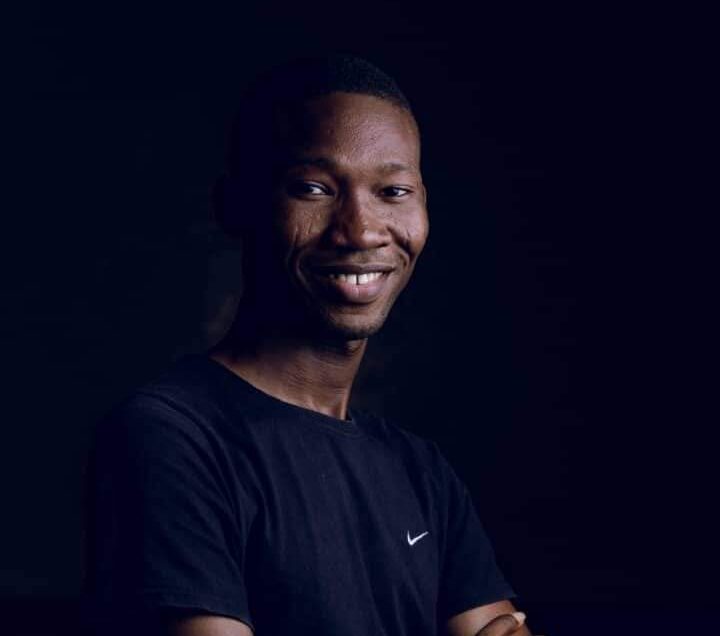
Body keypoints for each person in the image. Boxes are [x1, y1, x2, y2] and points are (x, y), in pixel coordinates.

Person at [82, 55, 535, 636]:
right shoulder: (171, 439)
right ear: (237, 205)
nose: (361, 230)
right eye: (314, 189)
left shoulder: (420, 471)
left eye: (393, 191)